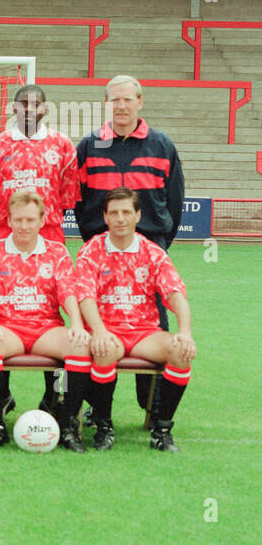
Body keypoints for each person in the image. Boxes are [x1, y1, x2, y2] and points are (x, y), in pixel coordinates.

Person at [74, 75, 185, 416]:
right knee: (100, 326)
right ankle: (97, 405)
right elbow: (79, 199)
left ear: (140, 101)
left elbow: (175, 199)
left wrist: (159, 241)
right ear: (107, 104)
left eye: (127, 99)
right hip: (101, 252)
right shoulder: (90, 145)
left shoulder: (162, 145)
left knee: (152, 326)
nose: (121, 106)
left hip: (147, 253)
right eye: (114, 100)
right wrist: (95, 237)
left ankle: (151, 405)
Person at [0, 83, 80, 417]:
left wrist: (41, 222)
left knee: (53, 310)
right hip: (4, 231)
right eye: (22, 104)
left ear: (45, 110)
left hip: (47, 231)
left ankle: (55, 394)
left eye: (35, 105)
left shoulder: (62, 145)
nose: (28, 109)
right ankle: (2, 394)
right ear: (13, 108)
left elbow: (66, 195)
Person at [74, 188, 195, 452]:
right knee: (105, 350)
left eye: (127, 212)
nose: (120, 218)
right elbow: (84, 295)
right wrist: (99, 330)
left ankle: (161, 429)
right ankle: (104, 426)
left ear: (138, 215)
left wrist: (185, 332)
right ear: (105, 217)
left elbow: (175, 293)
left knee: (181, 352)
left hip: (144, 332)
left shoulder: (152, 252)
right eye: (114, 212)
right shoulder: (91, 250)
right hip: (108, 329)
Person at [0, 189, 92, 452]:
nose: (24, 226)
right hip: (8, 325)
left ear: (42, 220)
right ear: (9, 220)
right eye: (18, 220)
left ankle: (67, 422)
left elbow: (67, 290)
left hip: (46, 327)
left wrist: (75, 323)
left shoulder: (57, 251)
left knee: (78, 347)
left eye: (30, 220)